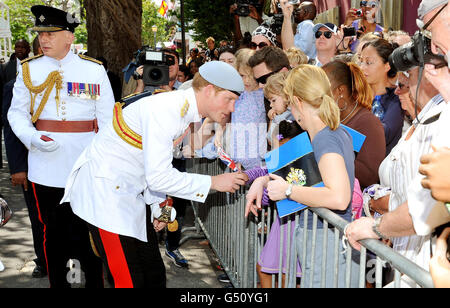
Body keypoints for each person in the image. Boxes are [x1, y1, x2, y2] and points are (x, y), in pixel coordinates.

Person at [60, 61, 247, 288]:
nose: (232, 108)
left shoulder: (179, 108)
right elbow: (157, 176)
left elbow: (152, 166)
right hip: (105, 198)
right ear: (209, 90)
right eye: (229, 99)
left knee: (154, 276)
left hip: (128, 194)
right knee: (129, 281)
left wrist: (160, 209)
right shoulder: (167, 110)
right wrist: (214, 182)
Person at [8, 5, 115, 288]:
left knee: (86, 233)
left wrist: (104, 162)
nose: (43, 39)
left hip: (85, 164)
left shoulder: (92, 70)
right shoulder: (29, 69)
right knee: (53, 234)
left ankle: (91, 284)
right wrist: (32, 138)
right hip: (45, 165)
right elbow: (15, 113)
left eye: (51, 33)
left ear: (69, 36)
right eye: (41, 33)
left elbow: (106, 121)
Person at [246, 65, 359, 288]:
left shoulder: (326, 137)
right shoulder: (329, 133)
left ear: (297, 102)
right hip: (324, 240)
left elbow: (339, 197)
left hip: (327, 244)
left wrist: (289, 191)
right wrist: (263, 180)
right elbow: (305, 177)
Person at [2, 36, 46, 278]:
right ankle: (45, 259)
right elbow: (10, 129)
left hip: (70, 165)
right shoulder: (17, 85)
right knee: (38, 216)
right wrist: (18, 167)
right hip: (33, 164)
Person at [244, 120, 303, 288]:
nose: (278, 153)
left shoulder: (302, 166)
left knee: (287, 276)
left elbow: (272, 187)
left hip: (294, 226)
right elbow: (266, 170)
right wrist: (248, 177)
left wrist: (261, 190)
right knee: (267, 269)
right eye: (275, 147)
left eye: (283, 148)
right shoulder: (280, 161)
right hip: (282, 224)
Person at [322, 60, 386, 190]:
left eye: (324, 90)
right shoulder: (329, 121)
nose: (319, 96)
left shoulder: (368, 123)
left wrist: (330, 157)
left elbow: (370, 176)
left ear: (340, 91)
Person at [359, 38, 403, 155]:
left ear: (387, 66)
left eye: (368, 62)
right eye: (361, 61)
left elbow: (383, 134)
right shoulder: (358, 96)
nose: (362, 67)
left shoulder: (397, 97)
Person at [227, 48, 267, 170]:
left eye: (252, 76)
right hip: (237, 160)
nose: (247, 80)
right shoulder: (236, 94)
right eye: (242, 76)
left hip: (260, 162)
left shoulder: (265, 95)